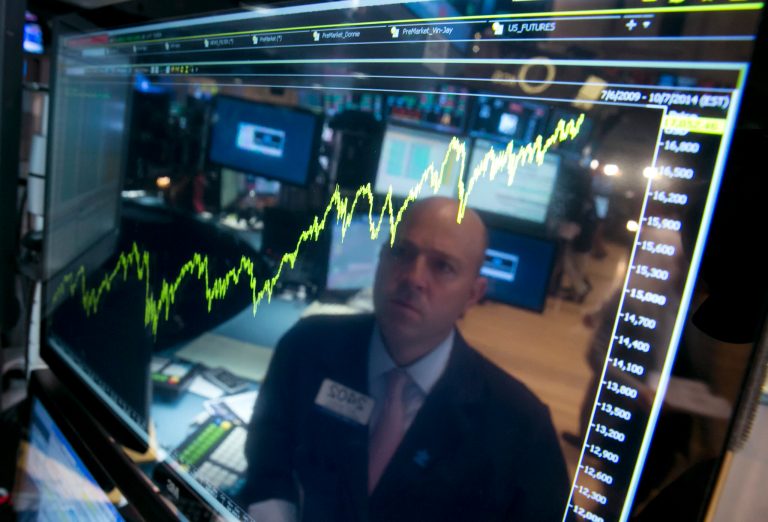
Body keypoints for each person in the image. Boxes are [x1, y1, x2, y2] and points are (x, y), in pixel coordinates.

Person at [240, 197, 569, 522]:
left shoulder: (522, 428)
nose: (413, 277)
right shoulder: (307, 346)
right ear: (381, 260)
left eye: (443, 266)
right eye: (401, 253)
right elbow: (267, 450)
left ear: (472, 295)